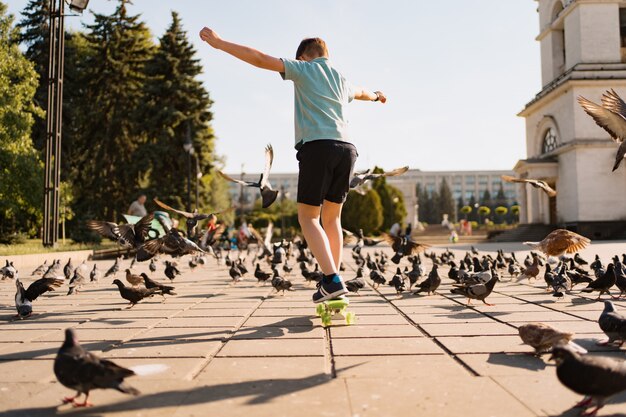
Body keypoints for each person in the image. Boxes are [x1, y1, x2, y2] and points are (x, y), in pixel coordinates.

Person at [199, 29, 386, 303]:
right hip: (347, 150)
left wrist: (219, 44)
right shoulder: (342, 80)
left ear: (303, 57)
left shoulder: (304, 68)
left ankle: (332, 280)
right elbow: (363, 92)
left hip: (318, 147)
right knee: (332, 219)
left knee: (308, 218)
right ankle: (332, 279)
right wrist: (378, 94)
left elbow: (260, 58)